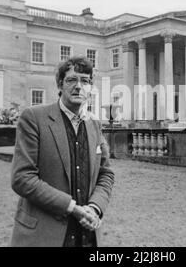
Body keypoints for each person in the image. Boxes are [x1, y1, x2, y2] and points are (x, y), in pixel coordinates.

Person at [10, 56, 114, 247]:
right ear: (60, 85)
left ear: (90, 88)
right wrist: (72, 207)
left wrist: (95, 207)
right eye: (71, 80)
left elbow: (105, 173)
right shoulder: (34, 118)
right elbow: (22, 178)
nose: (78, 86)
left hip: (87, 235)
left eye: (85, 81)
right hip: (43, 235)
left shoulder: (95, 125)